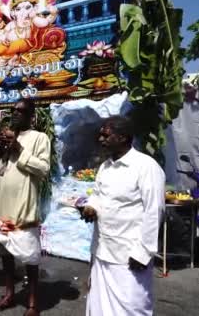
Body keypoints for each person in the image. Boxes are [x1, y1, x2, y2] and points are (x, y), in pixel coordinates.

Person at [81, 116, 165, 316]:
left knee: (132, 307)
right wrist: (91, 207)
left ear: (123, 137)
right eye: (100, 135)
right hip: (103, 251)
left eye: (106, 135)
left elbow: (155, 211)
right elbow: (98, 195)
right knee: (100, 307)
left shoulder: (146, 166)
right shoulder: (105, 167)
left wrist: (143, 253)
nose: (101, 139)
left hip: (129, 255)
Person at [0, 99, 51, 316]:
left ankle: (32, 303)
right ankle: (9, 294)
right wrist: (1, 151)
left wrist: (19, 149)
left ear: (31, 116)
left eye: (21, 111)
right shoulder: (7, 135)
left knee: (30, 258)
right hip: (3, 207)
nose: (15, 114)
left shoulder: (39, 138)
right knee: (5, 254)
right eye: (13, 110)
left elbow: (43, 169)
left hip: (23, 208)